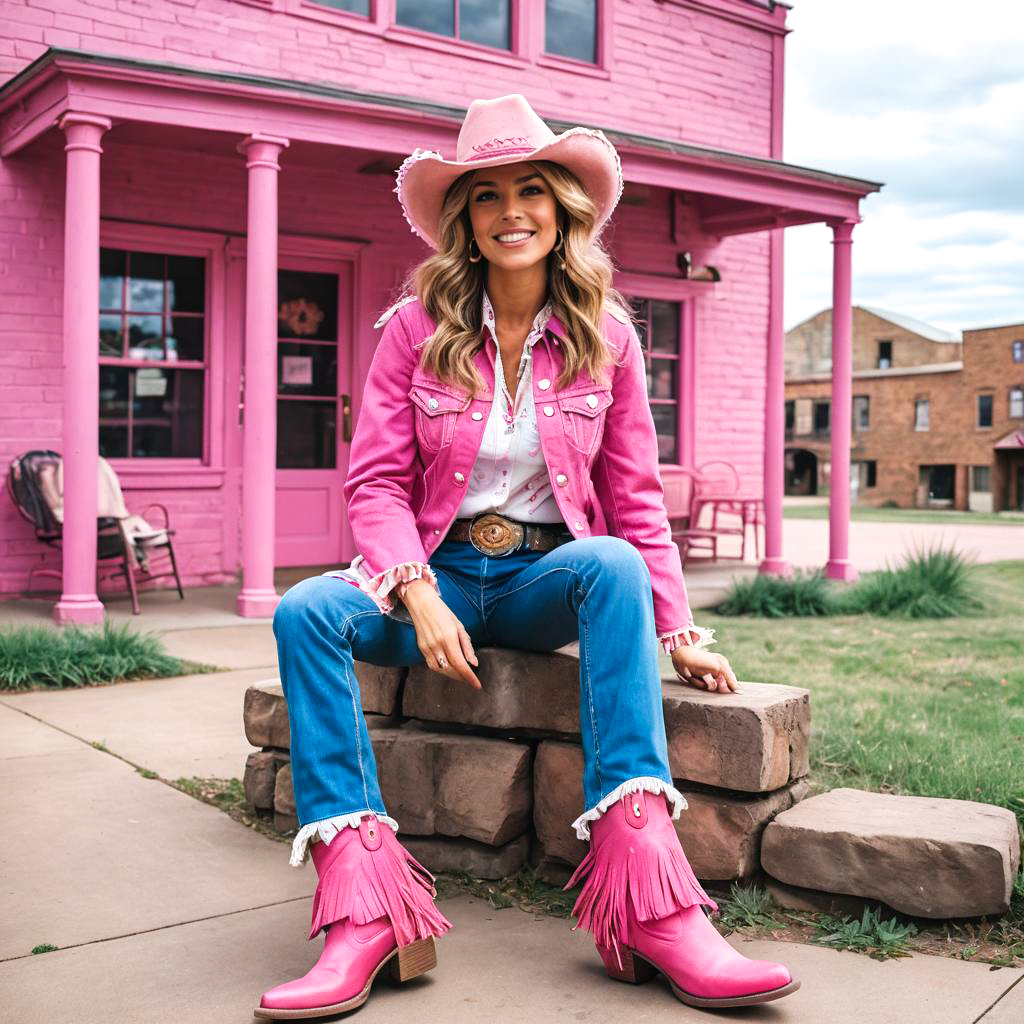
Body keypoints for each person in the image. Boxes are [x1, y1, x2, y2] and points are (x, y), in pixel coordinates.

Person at [254, 93, 798, 1019]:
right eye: (486, 195)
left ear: (562, 209)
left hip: (547, 579)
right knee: (306, 609)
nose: (511, 210)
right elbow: (374, 487)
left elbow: (634, 501)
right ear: (463, 220)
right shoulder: (412, 331)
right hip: (437, 575)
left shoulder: (608, 337)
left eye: (531, 190)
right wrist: (415, 591)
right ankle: (368, 908)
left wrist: (682, 630)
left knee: (614, 561)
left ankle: (649, 905)